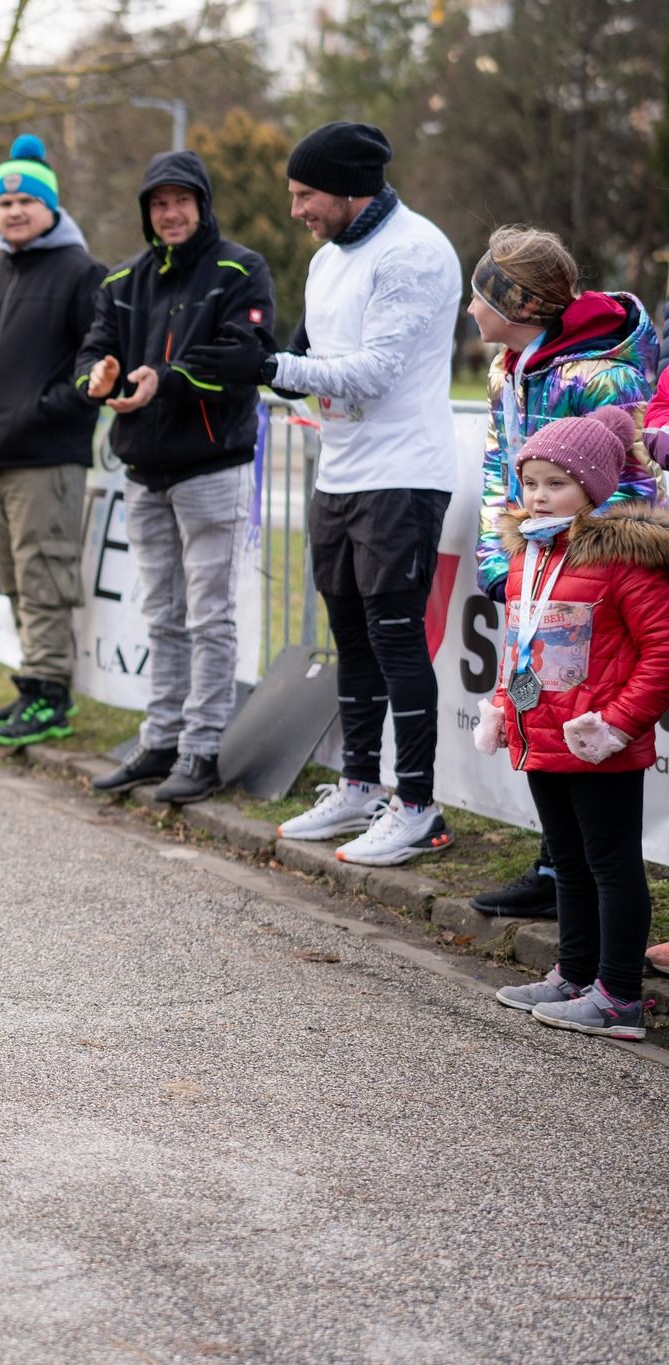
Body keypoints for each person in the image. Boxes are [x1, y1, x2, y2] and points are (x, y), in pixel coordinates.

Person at [217, 123, 463, 866]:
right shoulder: (327, 258)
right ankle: (358, 784)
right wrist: (264, 360)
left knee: (395, 637)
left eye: (305, 195)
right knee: (350, 636)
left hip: (403, 473)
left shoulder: (414, 251)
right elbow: (309, 358)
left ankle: (416, 806)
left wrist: (272, 368)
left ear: (351, 190)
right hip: (340, 471)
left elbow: (375, 371)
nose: (295, 210)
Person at [462, 226, 661, 919]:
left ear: (518, 303)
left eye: (480, 294)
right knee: (543, 707)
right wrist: (503, 559)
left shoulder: (603, 374)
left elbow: (633, 481)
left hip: (592, 582)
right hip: (538, 571)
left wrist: (585, 568)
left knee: (584, 713)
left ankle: (588, 898)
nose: (470, 309)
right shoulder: (508, 367)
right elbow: (501, 468)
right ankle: (557, 867)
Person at [79, 150, 276, 804]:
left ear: (202, 203)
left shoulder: (240, 269)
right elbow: (94, 352)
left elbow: (246, 356)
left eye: (180, 201)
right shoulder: (121, 280)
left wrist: (164, 379)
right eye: (158, 204)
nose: (170, 214)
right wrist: (97, 380)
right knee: (161, 614)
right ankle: (160, 739)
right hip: (143, 472)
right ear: (146, 212)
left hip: (212, 469)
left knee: (209, 616)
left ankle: (202, 748)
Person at [471, 408, 669, 1041]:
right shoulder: (530, 553)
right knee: (569, 862)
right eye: (530, 482)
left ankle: (619, 996)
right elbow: (518, 644)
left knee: (611, 865)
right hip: (542, 735)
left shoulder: (624, 559)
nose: (538, 495)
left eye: (556, 483)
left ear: (593, 487)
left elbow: (662, 651)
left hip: (599, 743)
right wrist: (503, 703)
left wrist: (617, 726)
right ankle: (575, 973)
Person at [0, 134, 106, 746]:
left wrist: (41, 413)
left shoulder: (81, 274)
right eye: (4, 202)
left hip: (46, 458)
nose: (14, 211)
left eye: (26, 201)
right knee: (14, 578)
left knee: (44, 576)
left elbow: (97, 367)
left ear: (51, 206)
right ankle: (33, 680)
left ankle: (51, 695)